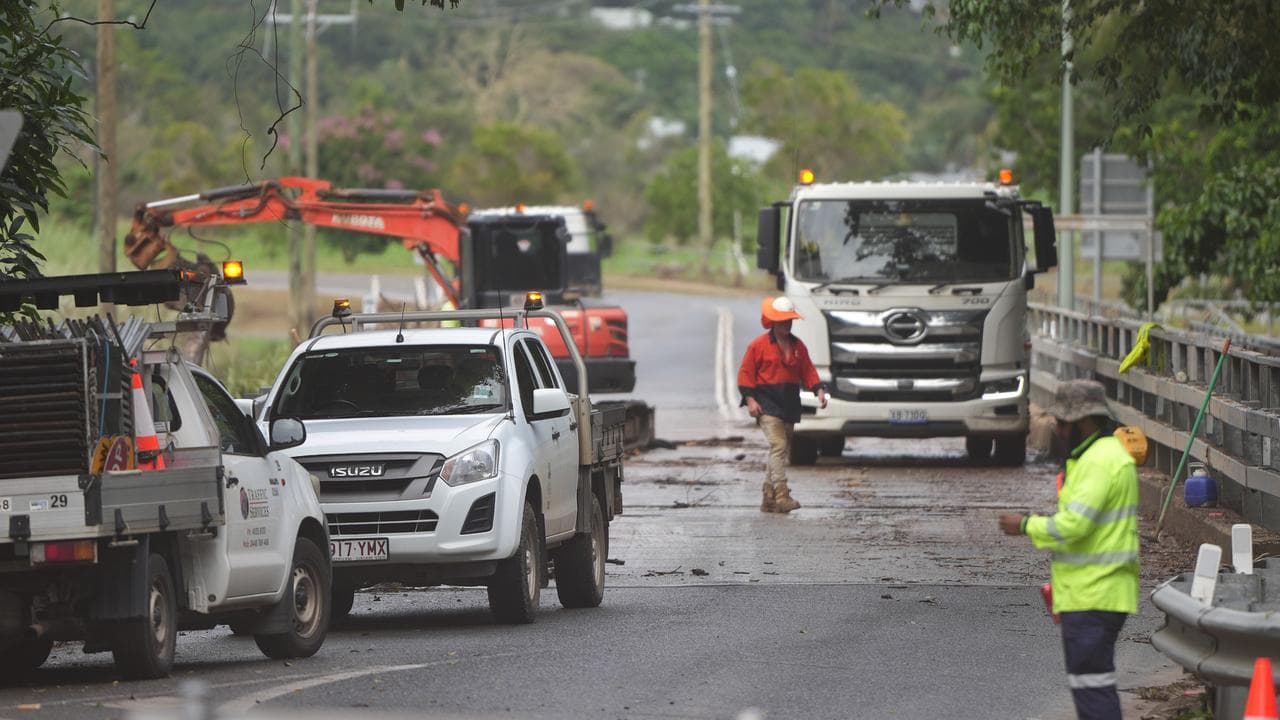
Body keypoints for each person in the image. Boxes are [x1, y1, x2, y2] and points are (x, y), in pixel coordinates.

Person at [999, 379, 1139, 720]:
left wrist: (1026, 525)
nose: (1058, 429)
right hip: (1093, 593)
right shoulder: (1099, 455)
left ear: (1083, 422)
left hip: (1094, 595)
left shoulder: (1098, 461)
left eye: (1063, 422)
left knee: (1093, 690)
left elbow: (1073, 526)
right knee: (1091, 686)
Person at [737, 296, 828, 513]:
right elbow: (745, 374)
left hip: (789, 402)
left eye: (789, 320)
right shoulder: (757, 346)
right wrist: (750, 400)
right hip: (766, 402)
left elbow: (808, 371)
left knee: (780, 450)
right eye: (782, 320)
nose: (787, 324)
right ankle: (782, 495)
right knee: (778, 446)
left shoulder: (798, 346)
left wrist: (819, 390)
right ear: (772, 321)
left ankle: (768, 499)